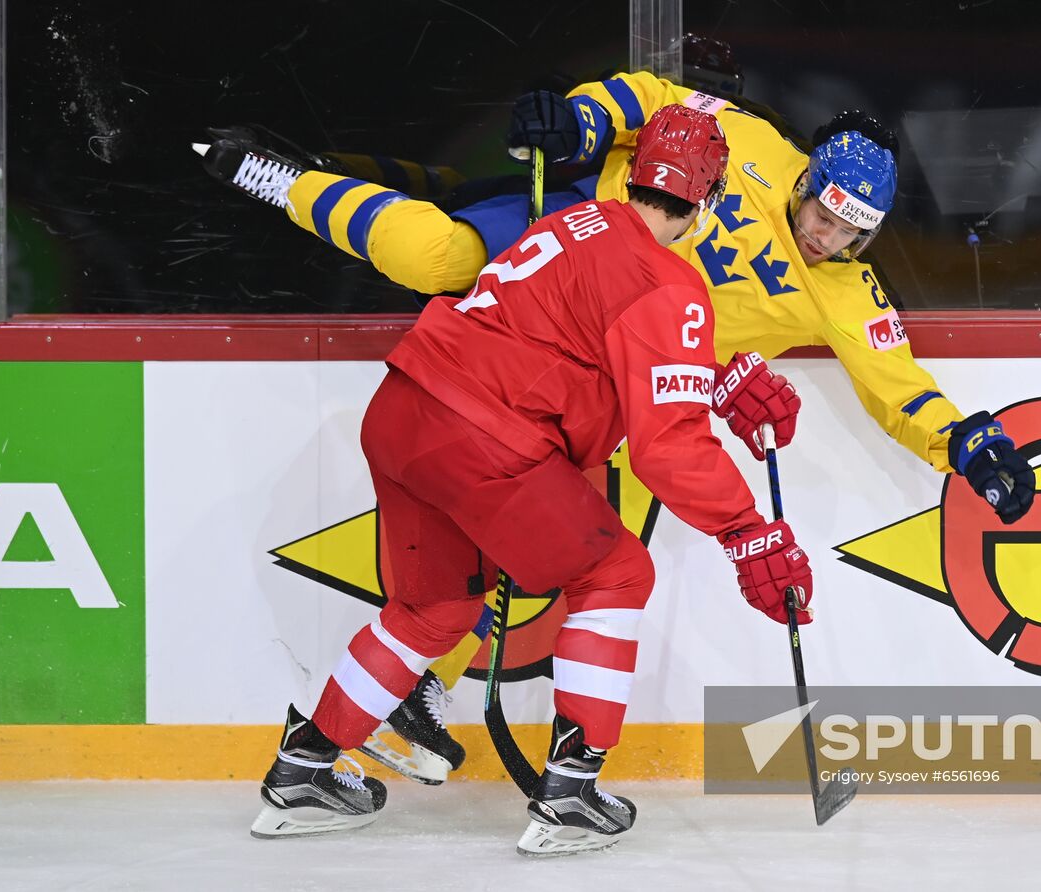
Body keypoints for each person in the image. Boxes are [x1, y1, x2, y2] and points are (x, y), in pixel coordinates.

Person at [199, 70, 1036, 788]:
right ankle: (290, 180)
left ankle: (415, 687)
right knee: (440, 255)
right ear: (806, 181)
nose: (829, 238)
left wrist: (972, 445)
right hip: (583, 240)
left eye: (853, 231)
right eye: (825, 215)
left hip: (604, 376)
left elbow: (901, 388)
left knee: (542, 524)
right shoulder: (752, 143)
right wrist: (583, 120)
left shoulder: (847, 293)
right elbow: (656, 97)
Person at [199, 104, 814, 854]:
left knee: (432, 609)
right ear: (708, 199)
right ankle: (572, 793)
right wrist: (748, 533)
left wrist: (711, 377)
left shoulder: (573, 223)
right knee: (618, 573)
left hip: (404, 411)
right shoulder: (671, 285)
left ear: (634, 172)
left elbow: (576, 330)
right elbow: (668, 448)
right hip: (483, 437)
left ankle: (304, 770)